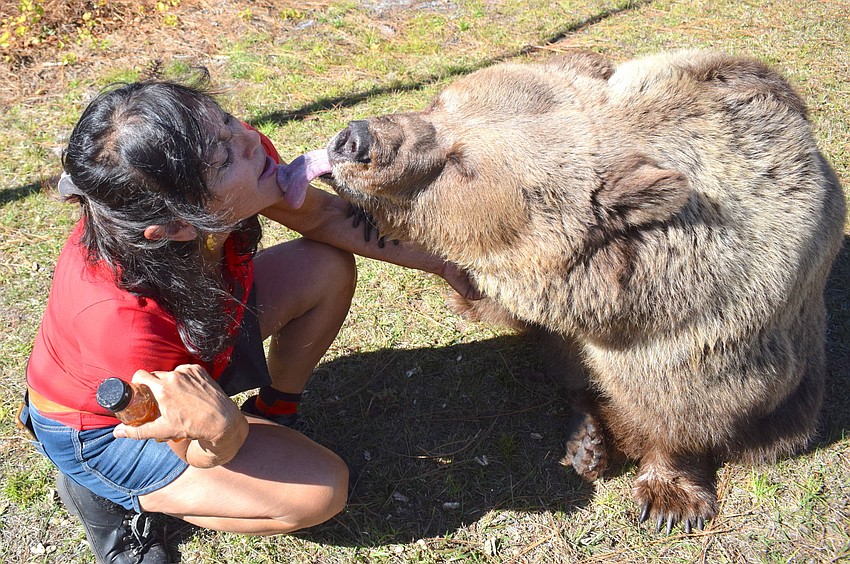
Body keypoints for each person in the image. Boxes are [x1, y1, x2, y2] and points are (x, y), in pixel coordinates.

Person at [22, 74, 477, 563]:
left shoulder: (239, 163)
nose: (245, 137)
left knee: (321, 267)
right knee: (320, 491)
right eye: (221, 157)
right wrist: (225, 431)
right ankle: (110, 496)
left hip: (201, 332)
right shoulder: (118, 325)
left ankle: (275, 409)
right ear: (174, 226)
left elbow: (324, 220)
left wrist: (446, 262)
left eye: (222, 120)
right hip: (110, 421)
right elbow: (191, 445)